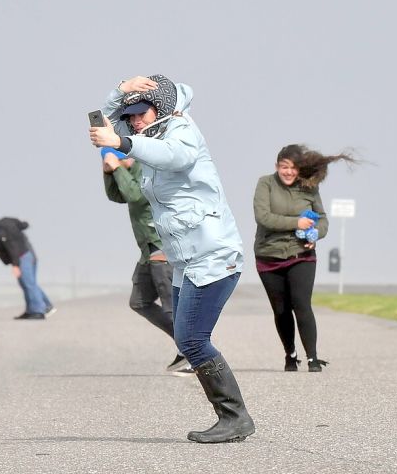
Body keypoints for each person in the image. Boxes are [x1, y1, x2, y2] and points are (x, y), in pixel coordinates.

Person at [90, 74, 254, 443]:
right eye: (129, 116)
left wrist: (122, 142)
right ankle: (233, 417)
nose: (133, 121)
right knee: (187, 336)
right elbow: (107, 121)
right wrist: (121, 90)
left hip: (213, 253)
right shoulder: (151, 134)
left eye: (139, 114)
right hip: (185, 258)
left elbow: (176, 158)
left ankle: (235, 418)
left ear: (160, 107)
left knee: (193, 339)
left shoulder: (180, 130)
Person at [252, 144, 356, 371]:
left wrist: (316, 234)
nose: (288, 172)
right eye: (284, 166)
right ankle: (290, 355)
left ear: (300, 169)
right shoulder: (265, 184)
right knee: (281, 309)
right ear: (276, 166)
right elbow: (263, 217)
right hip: (268, 255)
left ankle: (312, 358)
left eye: (293, 167)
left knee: (302, 304)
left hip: (302, 254)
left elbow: (322, 220)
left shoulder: (309, 187)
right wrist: (296, 223)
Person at [100, 147, 192, 375]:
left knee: (172, 307)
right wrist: (109, 173)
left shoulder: (148, 170)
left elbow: (135, 195)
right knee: (139, 301)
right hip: (147, 251)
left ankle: (193, 354)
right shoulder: (128, 171)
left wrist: (117, 168)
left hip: (163, 248)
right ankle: (187, 345)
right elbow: (117, 196)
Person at [0, 213, 55, 320]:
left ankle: (38, 310)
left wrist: (15, 265)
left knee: (29, 283)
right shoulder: (8, 221)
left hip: (22, 257)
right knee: (28, 283)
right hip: (27, 254)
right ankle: (36, 309)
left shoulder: (0, 231)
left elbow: (12, 248)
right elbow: (23, 225)